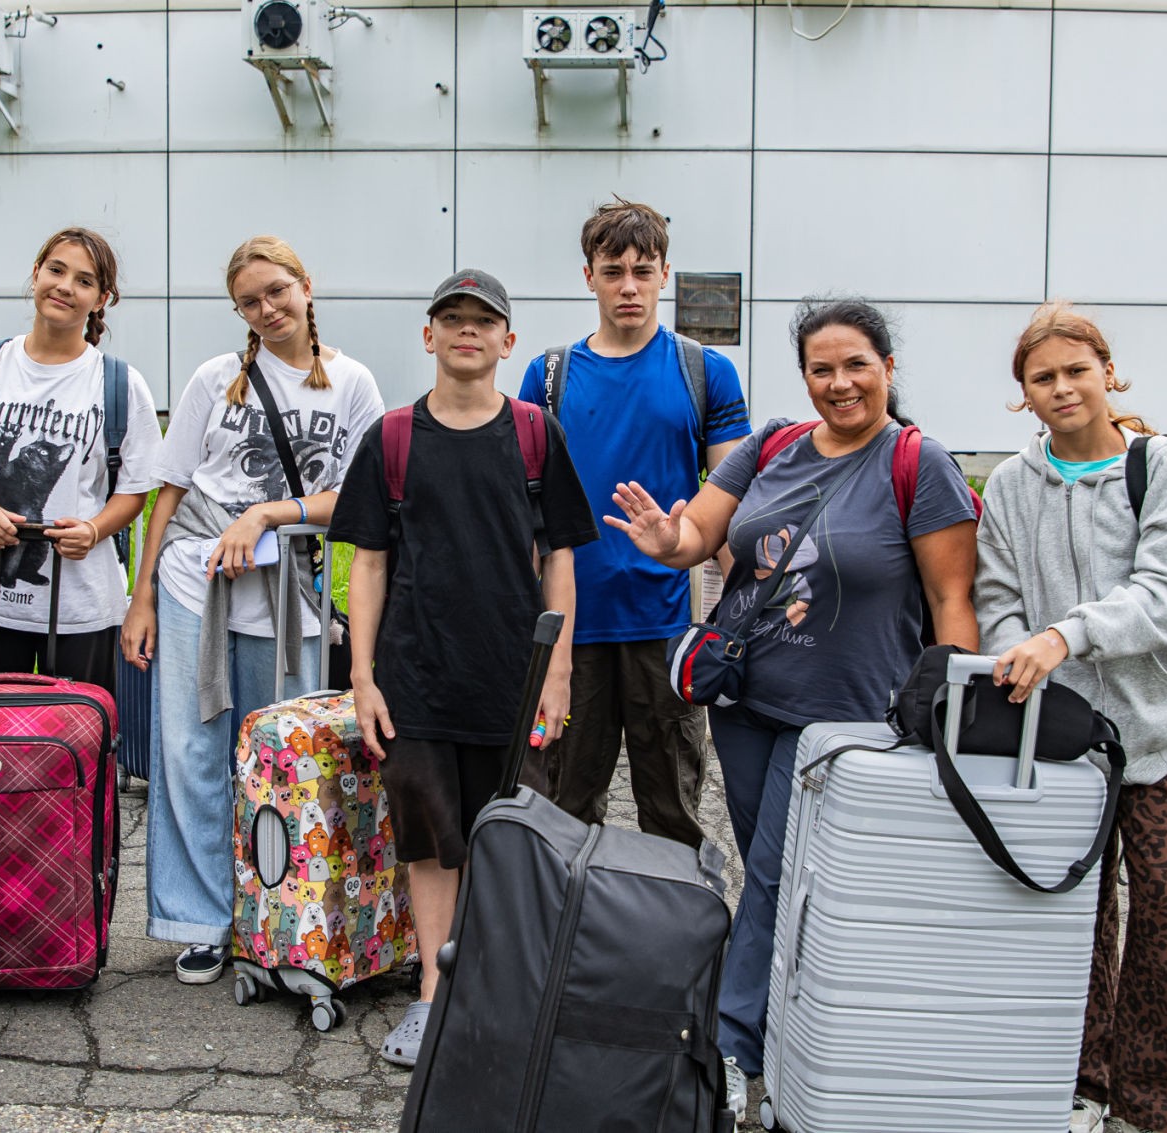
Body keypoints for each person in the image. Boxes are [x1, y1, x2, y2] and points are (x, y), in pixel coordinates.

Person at [605, 298, 979, 1122]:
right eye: (822, 369)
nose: (840, 383)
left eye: (856, 365)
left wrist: (953, 713)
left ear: (887, 368)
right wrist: (667, 540)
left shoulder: (918, 463)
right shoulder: (772, 445)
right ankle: (794, 1023)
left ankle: (728, 1048)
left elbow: (953, 598)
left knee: (777, 872)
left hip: (846, 715)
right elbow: (700, 534)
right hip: (746, 699)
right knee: (780, 876)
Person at [330, 270, 597, 1068]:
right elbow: (368, 565)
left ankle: (498, 997)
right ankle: (432, 997)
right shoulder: (393, 437)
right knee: (428, 843)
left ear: (508, 341)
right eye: (452, 318)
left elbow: (560, 560)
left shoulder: (536, 434)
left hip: (512, 682)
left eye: (484, 320)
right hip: (415, 681)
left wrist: (558, 672)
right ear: (429, 335)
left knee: (506, 842)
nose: (467, 330)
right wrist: (363, 677)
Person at [976, 302, 1167, 1133]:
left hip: (1157, 736)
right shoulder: (1012, 485)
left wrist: (1065, 635)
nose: (1063, 387)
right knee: (1067, 915)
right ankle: (1077, 1081)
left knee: (1164, 914)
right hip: (1062, 743)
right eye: (1043, 377)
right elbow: (997, 596)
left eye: (1077, 370)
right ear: (1024, 394)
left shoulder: (1160, 467)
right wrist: (1021, 655)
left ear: (1108, 373)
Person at [120, 235, 384, 986]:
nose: (267, 309)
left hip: (288, 595)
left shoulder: (352, 383)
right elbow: (171, 489)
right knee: (189, 752)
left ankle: (275, 915)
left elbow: (362, 495)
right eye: (249, 302)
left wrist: (270, 512)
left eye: (277, 291)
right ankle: (199, 919)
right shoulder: (215, 378)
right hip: (191, 583)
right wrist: (141, 596)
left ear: (306, 286)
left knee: (281, 759)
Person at [519, 197, 750, 849]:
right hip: (572, 629)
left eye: (643, 271)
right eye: (613, 270)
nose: (628, 286)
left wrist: (747, 609)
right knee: (563, 812)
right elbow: (526, 510)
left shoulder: (705, 371)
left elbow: (732, 508)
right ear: (588, 276)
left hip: (666, 629)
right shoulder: (548, 375)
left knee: (672, 815)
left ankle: (675, 919)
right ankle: (566, 917)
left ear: (664, 275)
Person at [0, 227, 162, 692]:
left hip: (82, 601)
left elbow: (134, 491)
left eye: (84, 280)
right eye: (56, 270)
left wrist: (94, 529)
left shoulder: (119, 384)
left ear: (102, 299)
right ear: (36, 273)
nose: (65, 286)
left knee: (79, 727)